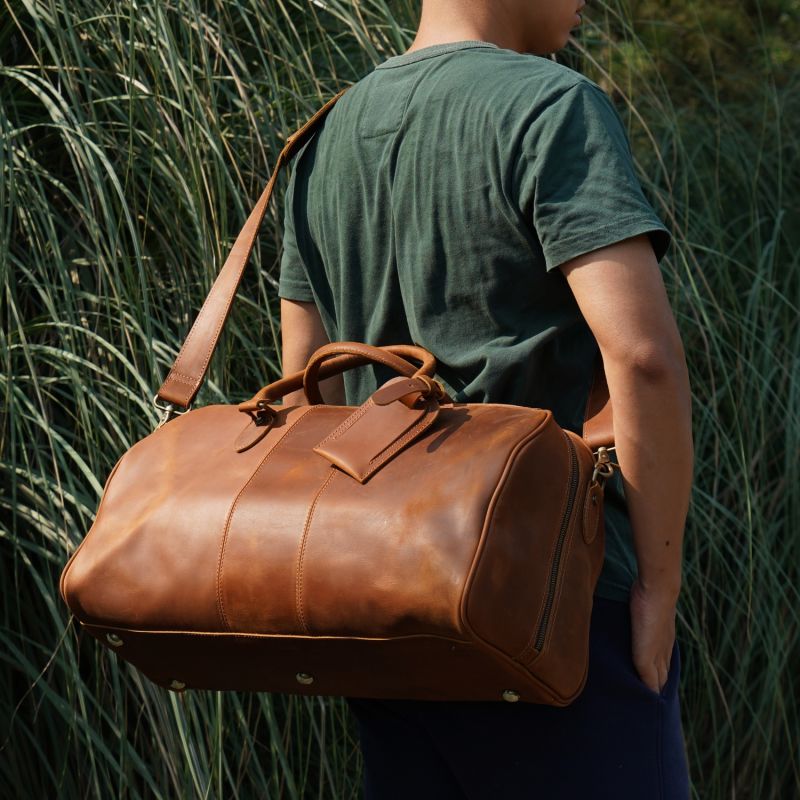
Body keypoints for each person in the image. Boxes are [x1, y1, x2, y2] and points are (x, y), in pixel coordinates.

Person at [277, 1, 694, 797]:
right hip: (551, 610)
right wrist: (658, 590)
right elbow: (643, 359)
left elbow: (308, 391)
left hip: (386, 615)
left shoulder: (318, 140)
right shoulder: (549, 104)